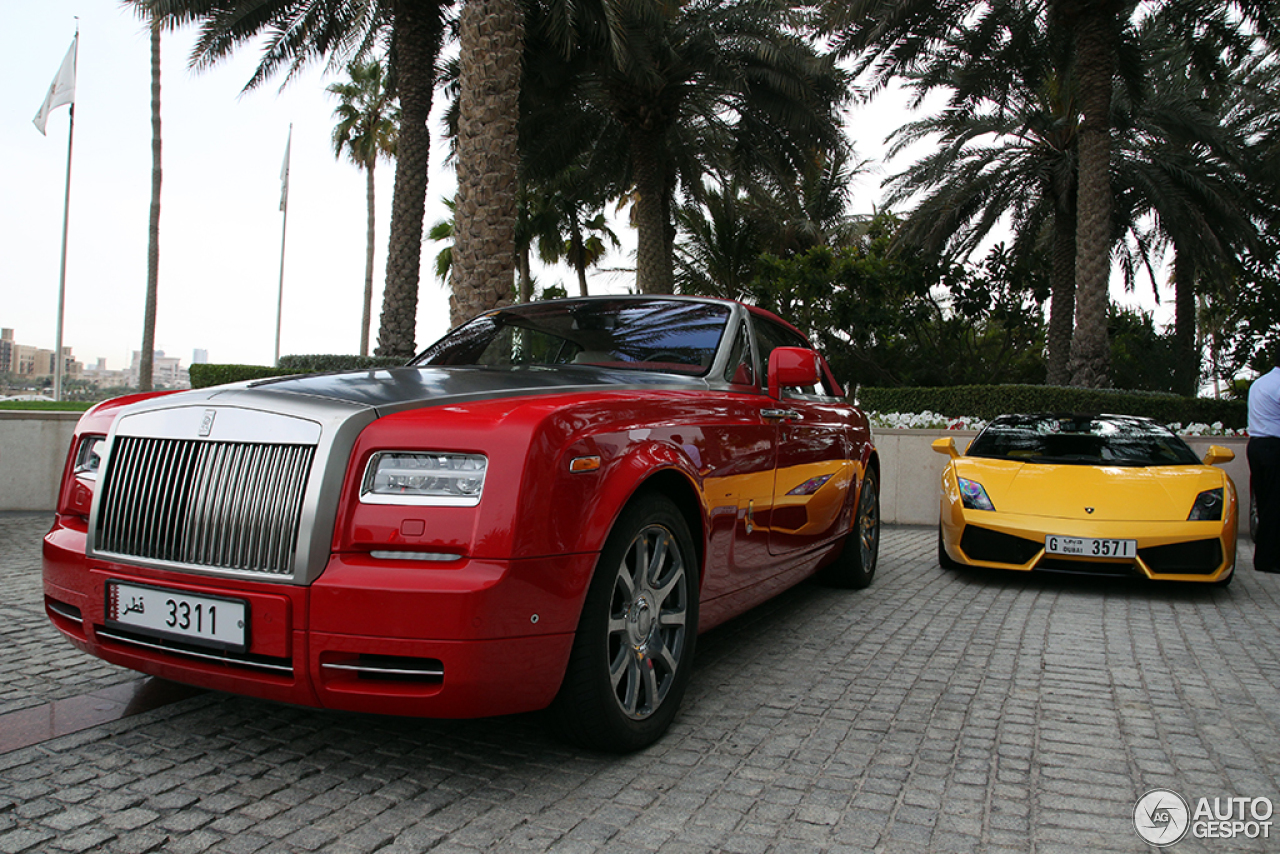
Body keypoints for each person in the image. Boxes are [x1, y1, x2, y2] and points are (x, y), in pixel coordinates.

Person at [1248, 348, 1280, 573]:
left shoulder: (1261, 382)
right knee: (1275, 505)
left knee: (1264, 502)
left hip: (1257, 445)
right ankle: (1268, 560)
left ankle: (1264, 557)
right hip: (1274, 447)